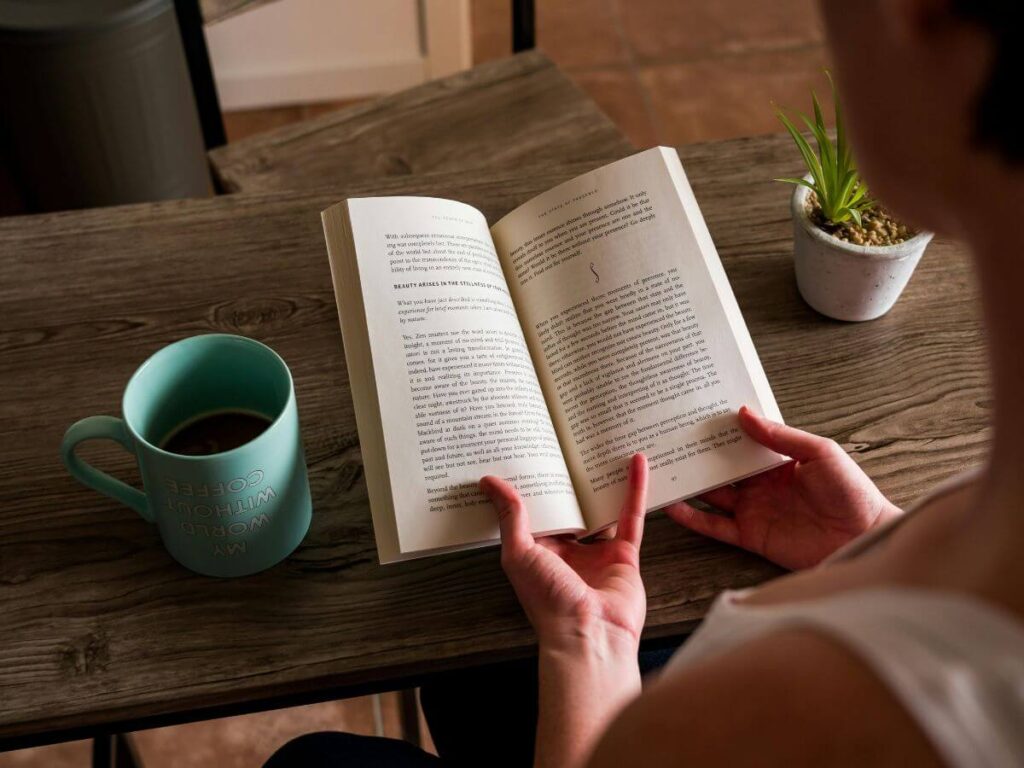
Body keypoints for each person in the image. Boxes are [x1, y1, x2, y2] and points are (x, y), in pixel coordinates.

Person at [266, 1, 1023, 765]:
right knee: (475, 683)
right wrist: (869, 543)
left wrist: (586, 640)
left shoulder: (788, 714)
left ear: (911, 15)